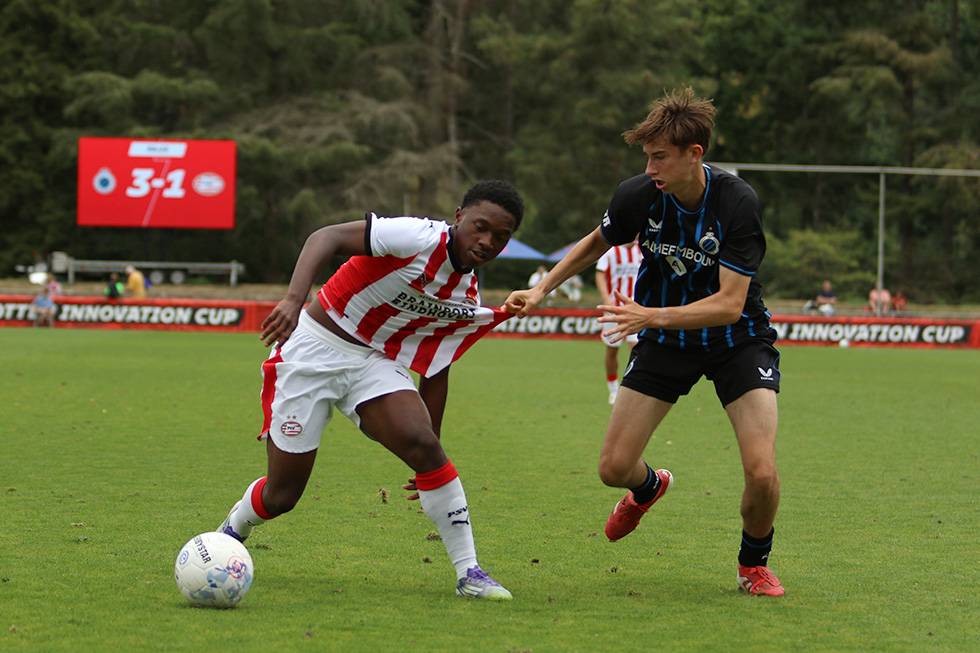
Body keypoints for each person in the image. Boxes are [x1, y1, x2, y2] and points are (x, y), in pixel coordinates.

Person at [504, 88, 785, 597]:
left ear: (694, 154)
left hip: (738, 340)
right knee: (613, 468)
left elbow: (729, 303)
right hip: (666, 340)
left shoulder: (736, 202)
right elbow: (598, 241)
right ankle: (649, 487)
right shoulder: (638, 194)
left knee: (762, 472)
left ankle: (753, 565)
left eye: (660, 157)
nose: (650, 168)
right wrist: (541, 289)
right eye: (647, 157)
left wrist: (649, 315)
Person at [217, 180, 525, 600]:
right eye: (481, 226)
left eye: (501, 237)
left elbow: (436, 365)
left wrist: (428, 453)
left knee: (425, 446)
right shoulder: (416, 237)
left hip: (372, 361)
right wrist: (292, 299)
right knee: (282, 495)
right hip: (311, 351)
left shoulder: (465, 296)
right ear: (459, 217)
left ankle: (469, 573)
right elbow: (325, 237)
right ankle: (233, 529)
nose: (487, 241)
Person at [595, 240, 642, 404]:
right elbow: (600, 274)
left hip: (636, 309)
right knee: (612, 350)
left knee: (637, 349)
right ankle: (613, 389)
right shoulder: (611, 251)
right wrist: (605, 297)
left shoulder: (642, 249)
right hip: (614, 309)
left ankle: (632, 389)